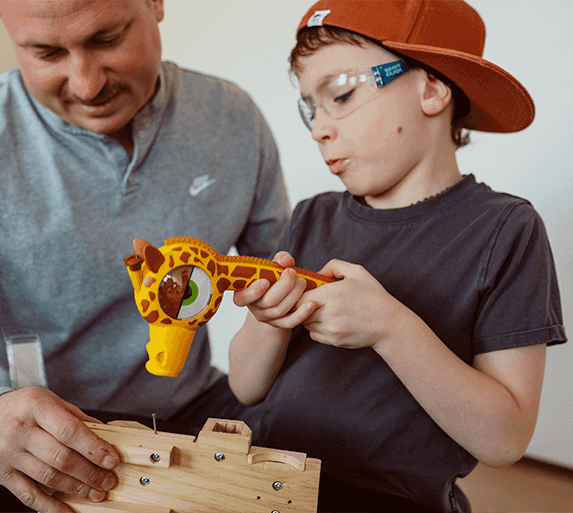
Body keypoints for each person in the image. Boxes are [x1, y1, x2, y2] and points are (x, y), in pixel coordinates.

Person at [0, 1, 291, 511]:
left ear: (155, 4)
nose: (86, 86)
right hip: (25, 436)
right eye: (46, 53)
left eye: (107, 40)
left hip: (192, 410)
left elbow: (285, 284)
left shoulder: (232, 118)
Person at [224, 1, 567, 512]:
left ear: (431, 89)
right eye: (311, 107)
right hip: (262, 484)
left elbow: (505, 439)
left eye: (341, 95)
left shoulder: (504, 230)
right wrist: (268, 321)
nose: (318, 128)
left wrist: (391, 329)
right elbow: (246, 387)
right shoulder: (313, 216)